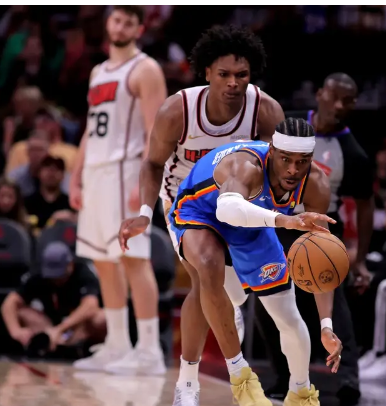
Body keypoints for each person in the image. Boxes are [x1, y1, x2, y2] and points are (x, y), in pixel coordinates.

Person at [113, 24, 285, 404]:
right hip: (184, 202)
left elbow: (280, 169)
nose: (233, 83)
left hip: (236, 202)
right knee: (204, 268)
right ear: (207, 72)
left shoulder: (266, 110)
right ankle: (189, 384)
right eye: (224, 74)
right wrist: (144, 212)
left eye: (241, 74)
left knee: (224, 290)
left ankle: (226, 304)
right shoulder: (178, 110)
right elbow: (152, 163)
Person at [120, 118, 343, 406]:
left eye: (301, 162)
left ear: (311, 159)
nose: (292, 169)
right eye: (286, 159)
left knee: (287, 314)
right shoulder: (246, 166)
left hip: (255, 220)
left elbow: (322, 259)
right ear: (272, 151)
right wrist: (286, 220)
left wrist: (326, 325)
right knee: (207, 270)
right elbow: (227, 210)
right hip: (201, 212)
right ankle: (210, 380)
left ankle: (301, 393)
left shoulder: (316, 184)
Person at [256, 72, 369, 405]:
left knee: (336, 304)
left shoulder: (353, 153)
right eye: (333, 97)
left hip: (320, 224)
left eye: (347, 101)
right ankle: (282, 376)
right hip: (278, 221)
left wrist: (361, 258)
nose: (338, 106)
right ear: (319, 94)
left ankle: (348, 378)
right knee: (268, 299)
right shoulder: (287, 126)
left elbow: (365, 205)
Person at [68, 6, 168, 374]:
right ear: (108, 23)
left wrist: (144, 183)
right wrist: (76, 175)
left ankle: (149, 351)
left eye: (129, 22)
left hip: (125, 172)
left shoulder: (146, 69)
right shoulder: (98, 72)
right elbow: (90, 128)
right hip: (96, 173)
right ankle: (116, 344)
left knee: (133, 259)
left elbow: (156, 132)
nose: (121, 27)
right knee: (103, 262)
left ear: (139, 29)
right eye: (116, 20)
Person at [1, 242, 105, 352]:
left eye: (60, 275)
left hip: (77, 324)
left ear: (70, 264)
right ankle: (50, 343)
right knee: (21, 312)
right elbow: (9, 302)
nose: (56, 279)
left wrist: (60, 329)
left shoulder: (84, 271)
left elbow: (90, 305)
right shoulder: (38, 272)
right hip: (48, 324)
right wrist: (16, 331)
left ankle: (79, 345)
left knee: (101, 318)